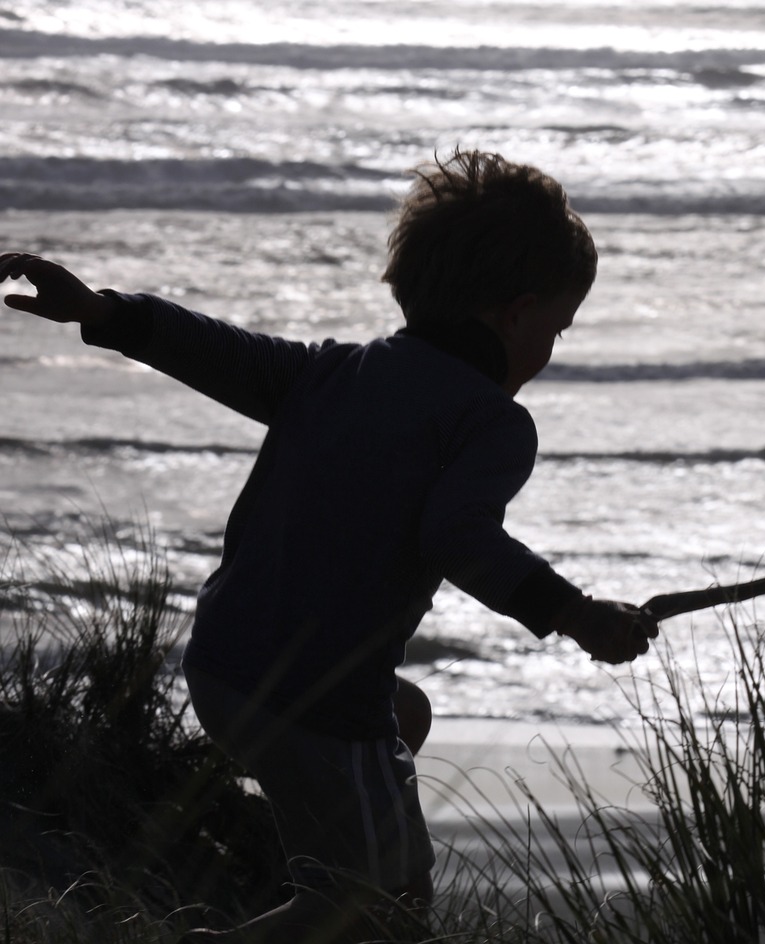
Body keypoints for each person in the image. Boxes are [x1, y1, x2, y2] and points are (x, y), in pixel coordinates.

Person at [0, 149, 658, 942]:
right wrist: (574, 613)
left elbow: (223, 352)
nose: (550, 349)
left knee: (402, 713)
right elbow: (458, 536)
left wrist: (105, 313)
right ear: (515, 314)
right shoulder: (490, 421)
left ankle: (323, 827)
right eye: (556, 327)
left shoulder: (334, 371)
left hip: (225, 666)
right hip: (312, 699)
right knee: (388, 903)